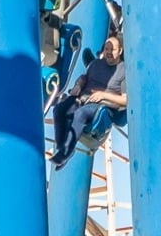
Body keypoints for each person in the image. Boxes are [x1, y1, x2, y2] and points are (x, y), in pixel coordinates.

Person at [50, 36, 127, 169]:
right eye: (107, 49)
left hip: (103, 106)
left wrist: (103, 95)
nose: (109, 52)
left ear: (120, 51)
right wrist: (78, 85)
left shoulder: (124, 70)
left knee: (81, 113)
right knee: (59, 109)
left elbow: (125, 100)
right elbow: (84, 78)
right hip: (84, 97)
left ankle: (65, 152)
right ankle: (62, 147)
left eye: (113, 49)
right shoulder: (96, 64)